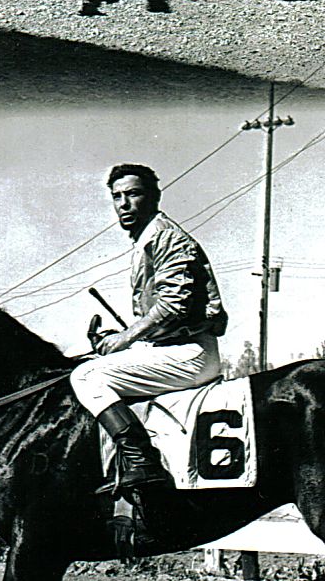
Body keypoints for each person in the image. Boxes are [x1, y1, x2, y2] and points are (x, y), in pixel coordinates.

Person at [70, 164, 227, 496]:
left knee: (86, 377)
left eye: (134, 194)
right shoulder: (146, 239)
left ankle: (142, 462)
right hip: (168, 348)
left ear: (155, 197)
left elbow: (174, 306)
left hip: (190, 353)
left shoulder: (166, 236)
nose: (124, 204)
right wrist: (120, 339)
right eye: (117, 197)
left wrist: (125, 338)